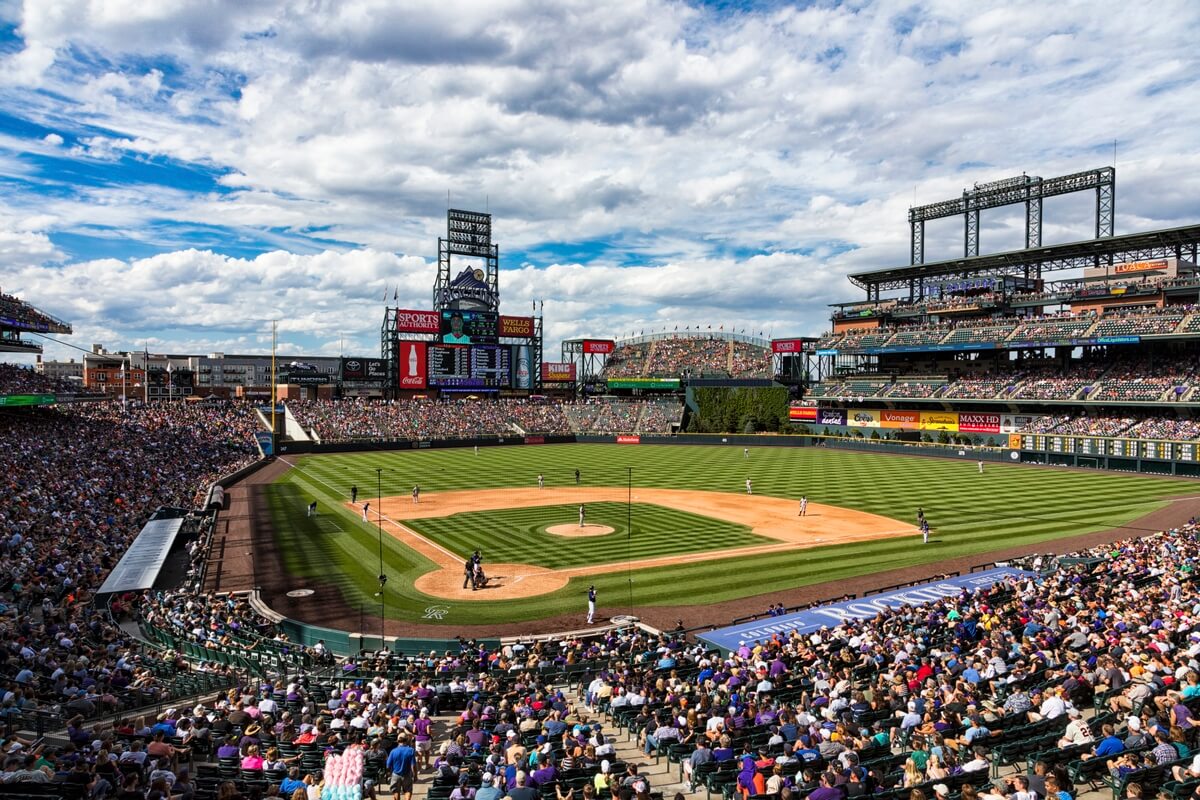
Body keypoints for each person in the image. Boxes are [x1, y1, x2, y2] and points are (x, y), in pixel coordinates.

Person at [387, 734, 416, 800]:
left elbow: (388, 765)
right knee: (408, 791)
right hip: (407, 775)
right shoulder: (410, 750)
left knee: (396, 791)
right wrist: (415, 775)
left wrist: (389, 773)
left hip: (396, 775)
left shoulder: (393, 751)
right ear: (407, 740)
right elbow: (413, 765)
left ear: (398, 741)